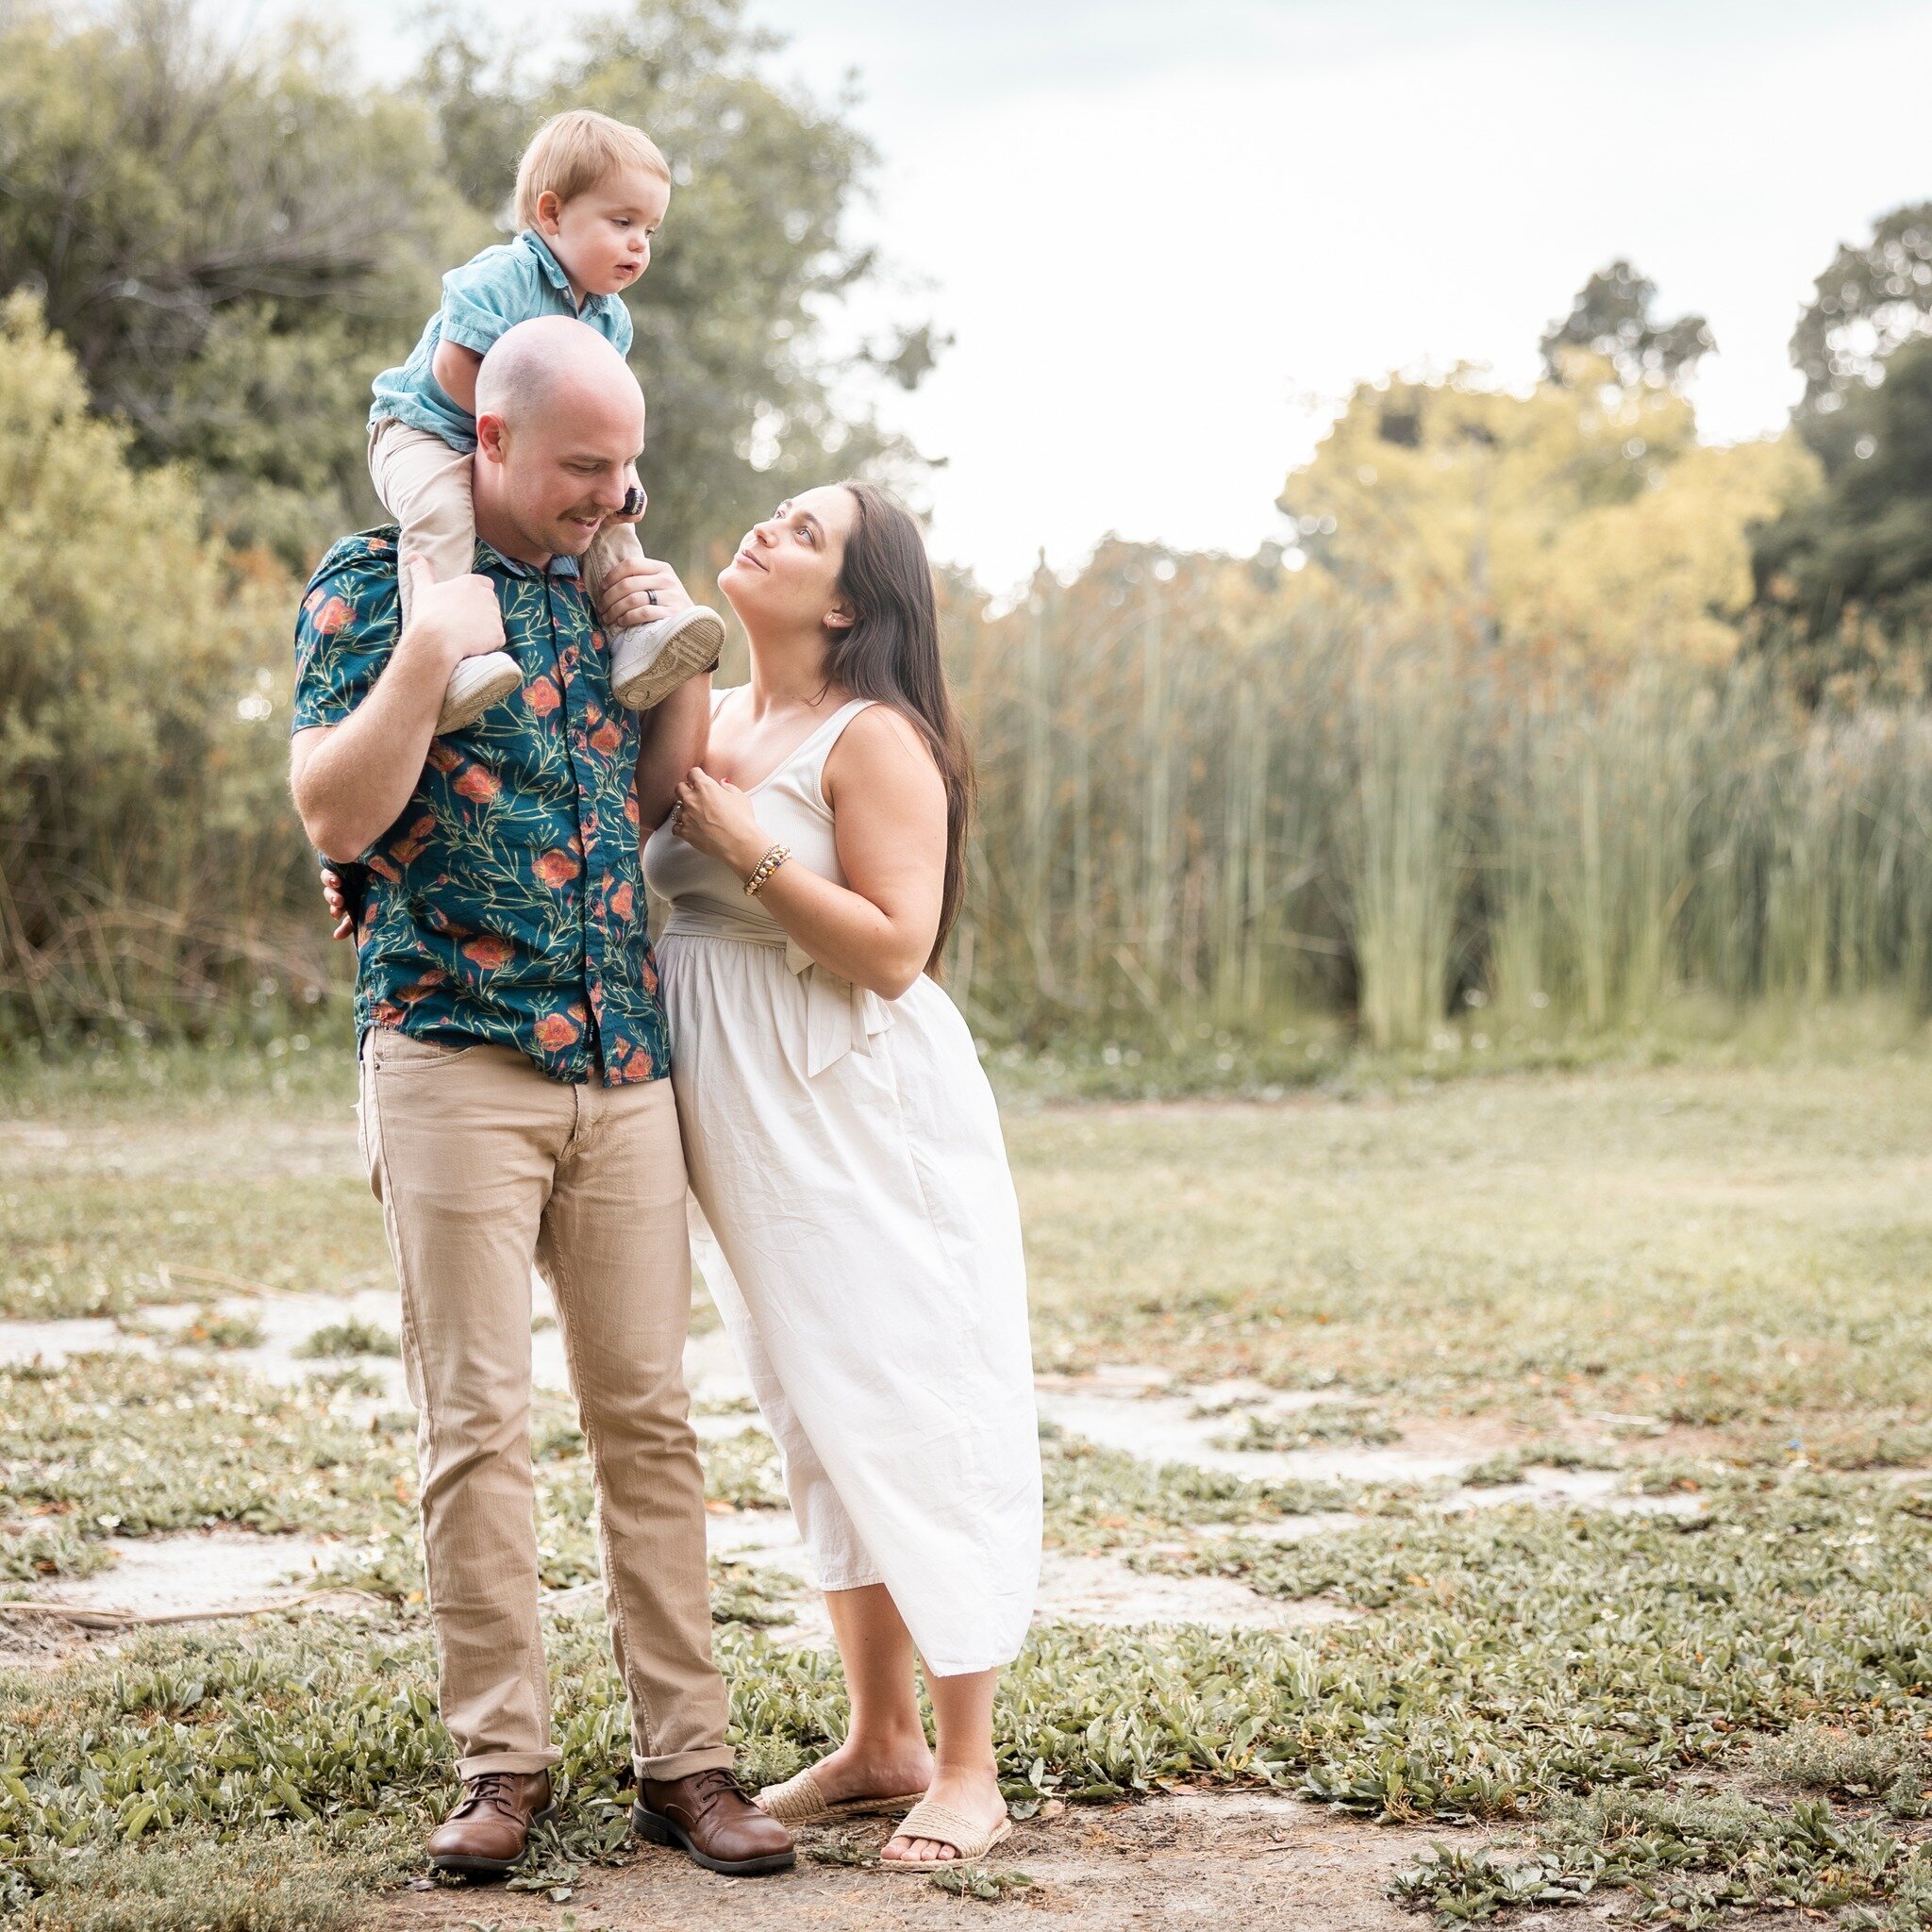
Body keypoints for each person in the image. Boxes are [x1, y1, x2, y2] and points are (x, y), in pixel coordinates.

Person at [290, 316, 792, 1882]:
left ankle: (687, 1764)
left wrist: (675, 649)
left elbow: (640, 801)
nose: (611, 491)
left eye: (625, 463)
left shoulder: (599, 590)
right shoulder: (376, 585)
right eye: (585, 466)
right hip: (452, 1053)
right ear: (492, 442)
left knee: (648, 1418)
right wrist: (428, 660)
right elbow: (335, 807)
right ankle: (501, 1763)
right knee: (477, 1422)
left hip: (618, 1060)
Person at [647, 482, 1042, 1868]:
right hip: (744, 1129)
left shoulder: (873, 740)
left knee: (912, 1399)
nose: (765, 530)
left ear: (847, 606)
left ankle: (968, 1762)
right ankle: (879, 1740)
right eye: (773, 514)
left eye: (803, 533)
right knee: (815, 1414)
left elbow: (892, 949)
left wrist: (747, 848)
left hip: (858, 1111)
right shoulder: (716, 718)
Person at [366, 108, 724, 736]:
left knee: (609, 518)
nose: (639, 244)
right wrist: (528, 445)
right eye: (622, 222)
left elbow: (601, 421)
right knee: (441, 515)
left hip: (513, 447)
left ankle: (633, 634)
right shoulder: (504, 277)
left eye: (649, 228)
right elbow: (456, 368)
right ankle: (449, 656)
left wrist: (621, 478)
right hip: (426, 428)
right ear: (552, 214)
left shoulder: (612, 320)